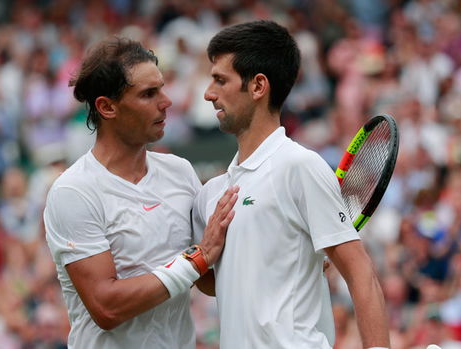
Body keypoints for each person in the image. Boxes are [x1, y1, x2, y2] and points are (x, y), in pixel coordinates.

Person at [192, 20, 390, 348]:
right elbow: (216, 284)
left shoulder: (300, 167)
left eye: (220, 80)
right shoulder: (211, 194)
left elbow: (360, 274)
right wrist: (202, 256)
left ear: (258, 86)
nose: (209, 93)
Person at [43, 38, 238, 348]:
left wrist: (287, 258)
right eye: (148, 94)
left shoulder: (180, 171)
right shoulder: (73, 192)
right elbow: (106, 307)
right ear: (107, 107)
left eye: (161, 88)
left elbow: (208, 281)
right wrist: (197, 259)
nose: (166, 101)